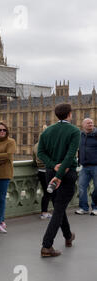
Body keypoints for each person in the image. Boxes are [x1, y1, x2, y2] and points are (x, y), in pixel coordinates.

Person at [37, 103, 80, 257]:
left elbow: (40, 153)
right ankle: (46, 246)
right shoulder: (75, 131)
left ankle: (68, 236)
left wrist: (53, 166)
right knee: (59, 210)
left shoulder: (47, 131)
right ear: (70, 114)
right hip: (66, 175)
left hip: (50, 173)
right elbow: (70, 156)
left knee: (59, 208)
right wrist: (60, 174)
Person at [76, 118, 97, 216]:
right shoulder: (80, 135)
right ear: (83, 125)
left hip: (96, 166)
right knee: (81, 187)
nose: (91, 124)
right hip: (84, 166)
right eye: (88, 123)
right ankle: (83, 208)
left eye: (92, 123)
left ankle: (95, 207)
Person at [33, 125, 53, 220]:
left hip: (40, 171)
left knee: (47, 192)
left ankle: (45, 212)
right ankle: (44, 212)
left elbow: (34, 160)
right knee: (49, 192)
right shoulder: (48, 144)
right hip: (48, 171)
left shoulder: (36, 145)